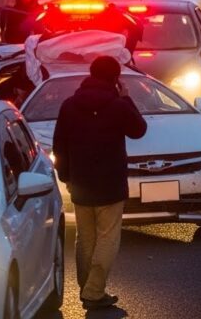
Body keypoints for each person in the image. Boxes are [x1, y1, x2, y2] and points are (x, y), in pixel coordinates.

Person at [52, 56, 147, 310]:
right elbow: (139, 129)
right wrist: (126, 97)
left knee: (85, 239)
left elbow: (59, 145)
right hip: (111, 185)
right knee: (108, 238)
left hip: (81, 184)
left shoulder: (69, 105)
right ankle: (93, 292)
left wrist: (67, 177)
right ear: (115, 79)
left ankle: (87, 288)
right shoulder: (117, 105)